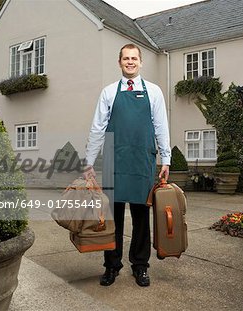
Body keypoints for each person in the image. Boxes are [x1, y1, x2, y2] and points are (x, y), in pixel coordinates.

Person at [84, 43, 171, 287]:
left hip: (142, 157)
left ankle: (140, 266)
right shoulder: (109, 92)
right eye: (125, 58)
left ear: (140, 62)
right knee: (113, 217)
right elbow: (97, 127)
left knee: (142, 215)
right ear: (119, 62)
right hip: (113, 157)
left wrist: (166, 158)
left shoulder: (153, 91)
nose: (130, 62)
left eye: (134, 58)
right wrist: (89, 161)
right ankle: (111, 266)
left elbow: (161, 126)